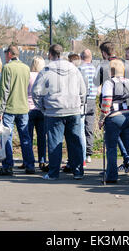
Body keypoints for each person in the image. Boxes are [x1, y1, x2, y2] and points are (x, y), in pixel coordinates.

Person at [32, 44, 86, 180]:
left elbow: (36, 92)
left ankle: (53, 173)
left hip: (54, 110)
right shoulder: (74, 69)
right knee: (75, 141)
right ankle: (78, 171)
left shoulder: (46, 70)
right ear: (62, 54)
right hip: (73, 109)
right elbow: (83, 90)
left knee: (55, 142)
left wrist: (43, 107)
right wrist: (79, 104)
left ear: (50, 55)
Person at [98, 59, 129, 184]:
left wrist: (102, 118)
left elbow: (106, 101)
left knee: (111, 147)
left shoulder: (109, 83)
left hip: (115, 117)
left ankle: (112, 176)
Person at [94, 41, 129, 173]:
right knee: (125, 138)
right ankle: (128, 160)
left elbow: (96, 83)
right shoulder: (125, 63)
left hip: (110, 103)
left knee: (113, 138)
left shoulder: (104, 65)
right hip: (127, 105)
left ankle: (114, 169)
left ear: (104, 53)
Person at [0, 45, 33, 176]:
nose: (5, 57)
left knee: (7, 137)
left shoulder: (7, 68)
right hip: (23, 107)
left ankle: (8, 166)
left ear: (10, 54)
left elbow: (4, 90)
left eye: (6, 55)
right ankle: (30, 165)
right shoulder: (26, 68)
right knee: (26, 137)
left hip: (10, 108)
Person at [27, 56, 47, 171]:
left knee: (28, 137)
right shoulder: (44, 77)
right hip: (41, 109)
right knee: (41, 137)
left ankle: (29, 160)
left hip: (29, 108)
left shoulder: (28, 76)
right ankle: (42, 160)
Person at [79, 49, 98, 164]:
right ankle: (89, 153)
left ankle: (82, 152)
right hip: (92, 99)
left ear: (81, 57)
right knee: (89, 127)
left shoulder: (80, 69)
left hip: (83, 100)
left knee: (80, 127)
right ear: (91, 58)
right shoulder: (95, 69)